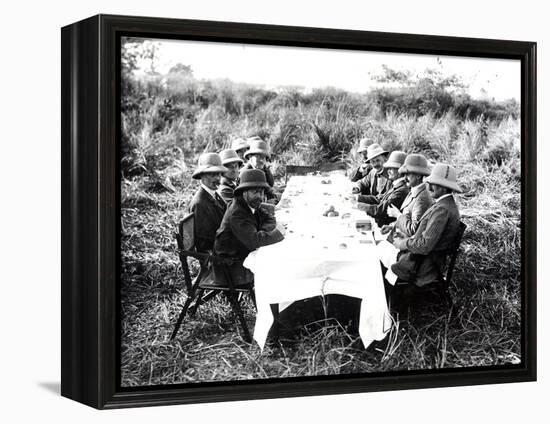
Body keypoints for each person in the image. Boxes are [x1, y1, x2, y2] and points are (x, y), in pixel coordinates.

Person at [390, 163, 462, 287]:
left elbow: (424, 246)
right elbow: (424, 234)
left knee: (381, 259)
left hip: (423, 266)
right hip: (421, 260)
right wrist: (406, 238)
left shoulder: (443, 209)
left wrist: (402, 244)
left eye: (434, 183)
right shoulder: (443, 204)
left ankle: (391, 299)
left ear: (445, 187)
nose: (429, 186)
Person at [214, 169, 286, 286]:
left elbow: (269, 218)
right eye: (255, 192)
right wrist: (278, 233)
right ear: (244, 192)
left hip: (241, 254)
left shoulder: (251, 203)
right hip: (229, 266)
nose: (260, 196)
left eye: (262, 192)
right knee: (277, 264)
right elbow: (254, 241)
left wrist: (263, 233)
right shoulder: (237, 212)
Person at [381, 153, 433, 238]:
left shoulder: (422, 198)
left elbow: (414, 230)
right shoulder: (413, 190)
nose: (404, 178)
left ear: (418, 176)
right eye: (404, 174)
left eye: (408, 174)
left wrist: (398, 215)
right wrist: (392, 226)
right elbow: (407, 219)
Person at [188, 152, 229, 253]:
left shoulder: (215, 195)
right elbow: (205, 244)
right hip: (217, 258)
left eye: (219, 174)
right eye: (212, 174)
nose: (217, 178)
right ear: (202, 176)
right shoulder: (199, 204)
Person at [356, 151, 409, 227]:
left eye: (391, 168)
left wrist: (358, 206)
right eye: (388, 168)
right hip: (381, 223)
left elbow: (381, 210)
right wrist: (357, 198)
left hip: (385, 227)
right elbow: (379, 199)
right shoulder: (397, 185)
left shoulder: (402, 190)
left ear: (400, 170)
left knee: (356, 227)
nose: (388, 171)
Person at [241, 136, 277, 202]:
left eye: (264, 157)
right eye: (258, 156)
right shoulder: (245, 173)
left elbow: (270, 184)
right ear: (250, 157)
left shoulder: (262, 169)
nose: (261, 160)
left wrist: (265, 168)